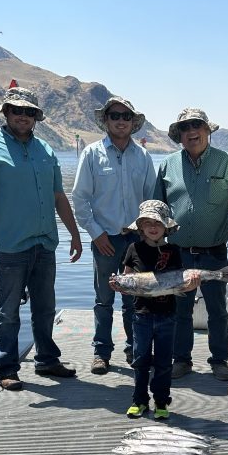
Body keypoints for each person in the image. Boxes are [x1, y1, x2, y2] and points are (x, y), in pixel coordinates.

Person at [0, 85, 82, 392]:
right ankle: (7, 367)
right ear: (5, 112)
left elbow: (59, 195)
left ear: (36, 117)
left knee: (46, 307)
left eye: (29, 112)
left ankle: (47, 359)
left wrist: (74, 233)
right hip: (11, 247)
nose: (23, 116)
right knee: (8, 312)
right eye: (17, 110)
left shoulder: (46, 150)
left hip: (45, 244)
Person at [71, 96, 156, 375]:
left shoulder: (143, 157)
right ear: (106, 121)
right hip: (104, 239)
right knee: (103, 300)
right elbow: (80, 199)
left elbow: (151, 200)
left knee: (134, 299)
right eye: (115, 116)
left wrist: (147, 237)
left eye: (126, 116)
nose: (121, 120)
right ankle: (101, 353)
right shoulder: (92, 154)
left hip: (136, 240)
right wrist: (96, 234)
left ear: (133, 123)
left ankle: (135, 349)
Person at [153, 107, 228, 382]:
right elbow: (157, 211)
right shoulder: (166, 165)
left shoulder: (227, 163)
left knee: (218, 310)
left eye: (196, 126)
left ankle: (220, 361)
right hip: (178, 253)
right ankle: (182, 360)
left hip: (215, 252)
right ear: (179, 135)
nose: (191, 132)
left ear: (207, 130)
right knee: (180, 310)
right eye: (185, 128)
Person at [110, 200, 194, 422]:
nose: (152, 227)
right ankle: (139, 400)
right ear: (140, 227)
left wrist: (192, 284)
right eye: (147, 223)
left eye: (157, 222)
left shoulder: (174, 250)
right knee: (140, 360)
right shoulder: (133, 249)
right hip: (142, 315)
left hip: (168, 315)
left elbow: (180, 281)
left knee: (165, 362)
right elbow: (126, 277)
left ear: (166, 226)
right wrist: (119, 285)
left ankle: (161, 401)